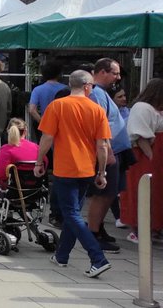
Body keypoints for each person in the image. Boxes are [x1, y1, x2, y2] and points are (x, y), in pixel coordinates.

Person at [35, 70, 113, 278]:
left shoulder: (57, 106)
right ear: (87, 86)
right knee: (74, 214)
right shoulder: (97, 110)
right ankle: (62, 255)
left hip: (65, 168)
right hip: (87, 169)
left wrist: (38, 161)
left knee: (70, 213)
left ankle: (98, 258)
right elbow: (103, 146)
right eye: (93, 87)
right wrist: (102, 171)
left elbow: (47, 138)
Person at [85, 58, 131, 253]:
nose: (118, 78)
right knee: (102, 195)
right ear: (102, 72)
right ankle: (93, 234)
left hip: (116, 150)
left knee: (110, 194)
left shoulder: (102, 93)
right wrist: (107, 152)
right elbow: (100, 126)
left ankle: (97, 228)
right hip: (109, 151)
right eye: (115, 73)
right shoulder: (96, 94)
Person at [121, 78, 163, 243]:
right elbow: (140, 136)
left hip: (155, 155)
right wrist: (151, 157)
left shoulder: (154, 109)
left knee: (156, 193)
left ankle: (154, 227)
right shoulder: (142, 108)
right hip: (146, 156)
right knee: (142, 191)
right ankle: (138, 229)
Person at [29, 61, 68, 131]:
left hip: (46, 127)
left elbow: (32, 110)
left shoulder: (37, 90)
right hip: (63, 126)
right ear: (59, 73)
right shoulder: (66, 89)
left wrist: (42, 123)